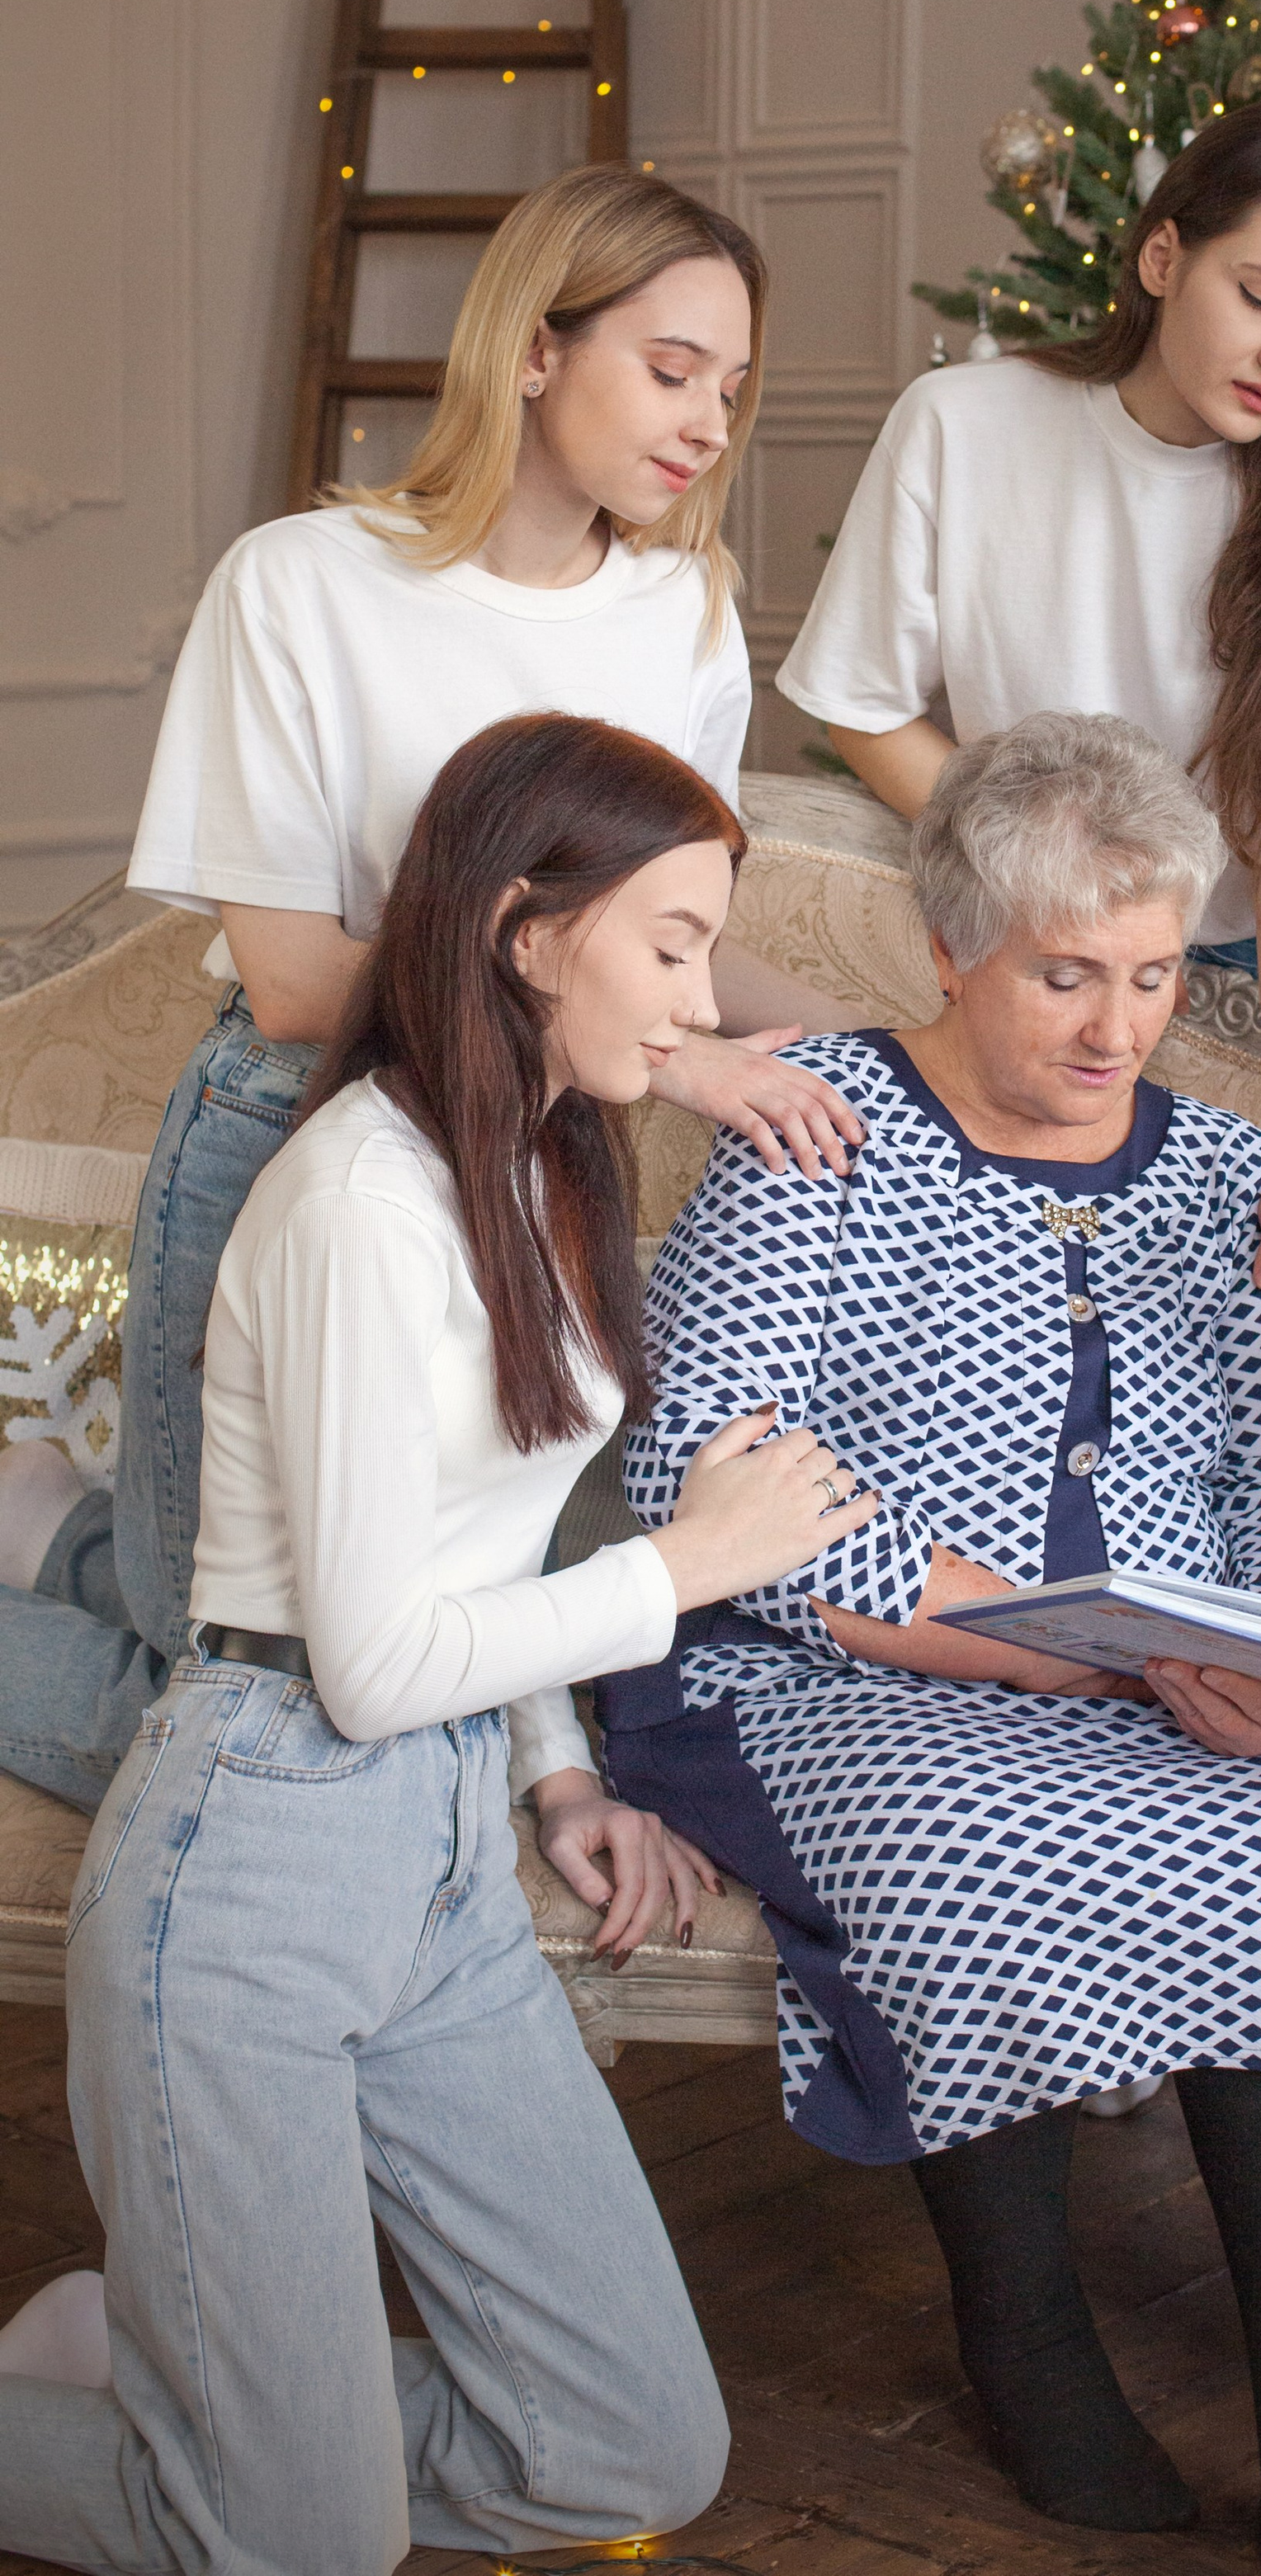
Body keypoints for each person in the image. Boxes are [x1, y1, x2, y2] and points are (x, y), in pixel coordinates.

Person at [597, 713, 1261, 2576]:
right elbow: (712, 1479)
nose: (1114, 1027)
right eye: (1063, 975)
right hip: (847, 1663)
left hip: (1174, 1679)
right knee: (973, 1854)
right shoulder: (812, 1129)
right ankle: (1029, 2339)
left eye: (1154, 976)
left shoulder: (1216, 1173)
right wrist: (1034, 1651)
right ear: (949, 949)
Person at [0, 712, 876, 2576]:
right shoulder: (356, 1203)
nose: (699, 1004)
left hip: (439, 1870)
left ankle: (185, 2422)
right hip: (250, 1865)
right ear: (521, 930)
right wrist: (691, 1565)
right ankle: (205, 2462)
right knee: (296, 2547)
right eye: (669, 945)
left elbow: (480, 1552)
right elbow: (373, 1662)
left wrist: (557, 1769)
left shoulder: (542, 1170)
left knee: (638, 2450)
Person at [0, 163, 865, 1816]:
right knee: (231, 1709)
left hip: (537, 1154)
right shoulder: (302, 585)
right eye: (668, 367)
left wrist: (837, 1032)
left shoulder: (678, 608)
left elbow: (670, 926)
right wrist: (680, 1064)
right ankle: (65, 1542)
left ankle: (52, 1524)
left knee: (392, 1641)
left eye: (731, 390)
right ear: (534, 349)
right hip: (293, 1140)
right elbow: (292, 981)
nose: (705, 422)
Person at [774, 97, 1261, 1388]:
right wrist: (1034, 866)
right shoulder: (966, 423)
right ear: (1163, 256)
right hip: (995, 940)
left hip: (1211, 976)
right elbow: (857, 700)